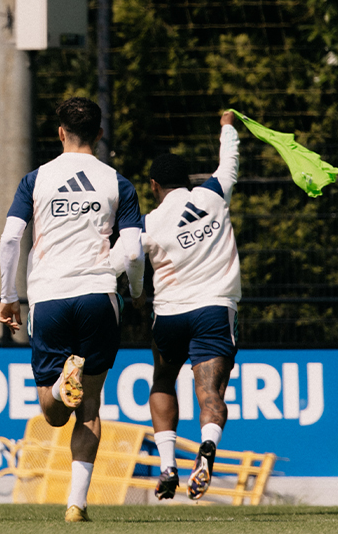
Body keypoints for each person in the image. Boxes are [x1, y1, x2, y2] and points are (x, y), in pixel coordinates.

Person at [0, 97, 144, 523]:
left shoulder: (36, 179)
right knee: (92, 406)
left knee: (53, 412)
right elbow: (132, 249)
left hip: (50, 296)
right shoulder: (119, 183)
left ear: (60, 133)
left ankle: (63, 386)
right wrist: (133, 291)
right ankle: (76, 503)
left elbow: (10, 239)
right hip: (99, 295)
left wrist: (9, 296)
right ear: (99, 135)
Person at [143, 111, 240, 501]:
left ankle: (168, 464)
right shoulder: (213, 194)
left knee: (163, 380)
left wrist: (135, 291)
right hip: (214, 310)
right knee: (210, 392)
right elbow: (229, 162)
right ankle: (208, 447)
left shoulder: (149, 222)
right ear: (187, 181)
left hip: (168, 313)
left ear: (153, 186)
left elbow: (131, 261)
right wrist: (228, 125)